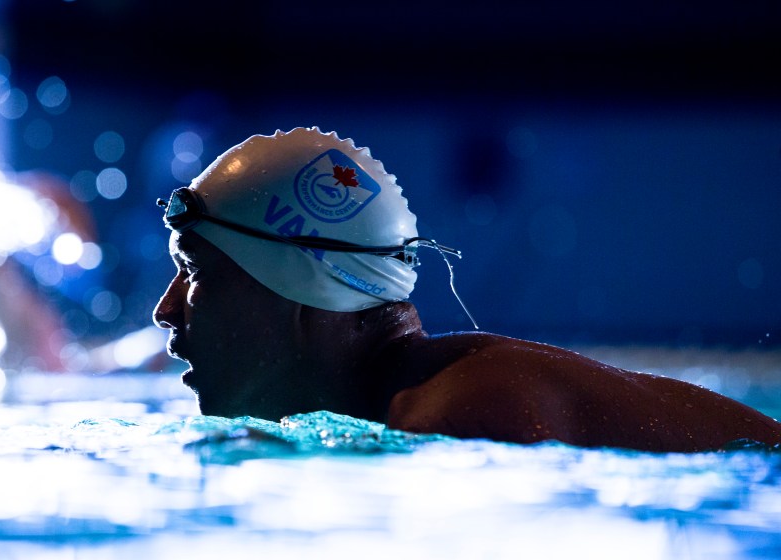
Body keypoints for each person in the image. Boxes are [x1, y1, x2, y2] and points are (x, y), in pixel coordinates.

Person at [151, 126, 781, 453]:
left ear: (294, 291)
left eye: (197, 273)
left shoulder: (463, 418)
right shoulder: (412, 403)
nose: (166, 309)